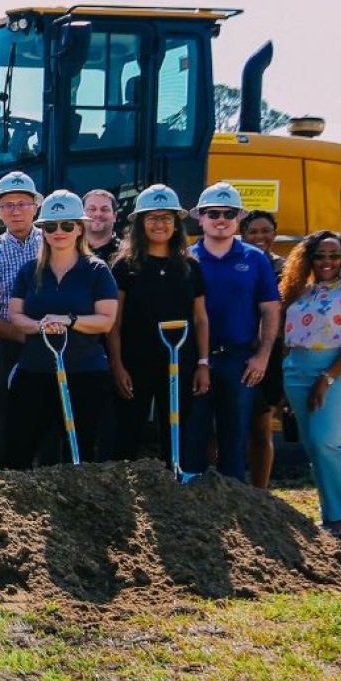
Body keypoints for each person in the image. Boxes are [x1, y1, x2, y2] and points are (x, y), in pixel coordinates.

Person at [6, 191, 120, 466]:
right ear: (43, 231)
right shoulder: (29, 270)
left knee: (80, 450)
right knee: (22, 447)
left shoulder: (97, 270)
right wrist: (39, 325)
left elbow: (106, 319)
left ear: (80, 228)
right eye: (51, 226)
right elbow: (15, 314)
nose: (59, 232)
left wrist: (69, 320)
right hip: (35, 370)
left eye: (67, 225)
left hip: (85, 372)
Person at [278, 232, 341, 539]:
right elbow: (286, 336)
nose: (327, 262)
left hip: (340, 371)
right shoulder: (299, 291)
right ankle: (331, 511)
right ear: (309, 259)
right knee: (314, 446)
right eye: (320, 255)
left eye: (334, 255)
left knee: (325, 439)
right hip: (297, 371)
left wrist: (327, 378)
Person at [105, 186, 210, 463]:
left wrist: (202, 363)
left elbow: (200, 318)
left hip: (180, 361)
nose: (160, 224)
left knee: (177, 430)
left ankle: (174, 484)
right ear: (140, 224)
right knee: (127, 431)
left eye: (166, 217)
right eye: (152, 217)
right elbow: (114, 322)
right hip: (135, 362)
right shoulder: (125, 266)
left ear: (177, 223)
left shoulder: (190, 266)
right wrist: (117, 366)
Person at [187, 182, 281, 481]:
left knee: (234, 439)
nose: (221, 219)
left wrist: (262, 357)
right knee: (195, 437)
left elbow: (270, 309)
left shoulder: (255, 259)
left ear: (238, 218)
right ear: (200, 217)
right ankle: (195, 505)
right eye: (213, 212)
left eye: (229, 213)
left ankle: (235, 511)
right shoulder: (186, 259)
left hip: (239, 360)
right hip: (194, 359)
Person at [0, 171, 43, 468]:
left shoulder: (54, 243)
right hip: (6, 346)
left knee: (45, 420)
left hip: (50, 343)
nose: (16, 210)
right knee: (2, 420)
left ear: (35, 207)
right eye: (8, 205)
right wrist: (20, 336)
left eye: (22, 203)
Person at [242, 209, 288, 487]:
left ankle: (261, 490)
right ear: (243, 234)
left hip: (270, 354)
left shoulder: (285, 269)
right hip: (238, 349)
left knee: (261, 427)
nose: (260, 237)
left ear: (274, 233)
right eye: (253, 232)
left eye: (265, 231)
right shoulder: (237, 261)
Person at [83, 189, 123, 265]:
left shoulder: (127, 254)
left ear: (115, 216)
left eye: (104, 209)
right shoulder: (68, 252)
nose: (98, 214)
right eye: (92, 209)